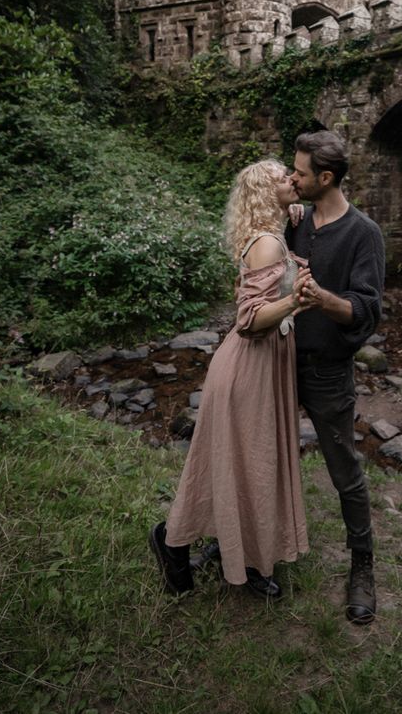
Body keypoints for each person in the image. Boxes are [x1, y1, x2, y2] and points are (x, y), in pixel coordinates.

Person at [149, 159, 311, 600]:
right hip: (249, 367)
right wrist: (297, 300)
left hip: (262, 366)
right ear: (264, 192)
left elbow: (290, 223)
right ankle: (173, 542)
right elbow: (249, 319)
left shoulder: (275, 232)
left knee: (246, 465)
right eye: (283, 177)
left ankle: (244, 553)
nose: (292, 180)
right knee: (249, 464)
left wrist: (294, 213)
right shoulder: (266, 245)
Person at [287, 129, 385, 625]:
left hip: (328, 373)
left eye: (300, 173)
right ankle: (251, 546)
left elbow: (367, 313)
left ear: (326, 178)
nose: (293, 178)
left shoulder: (364, 234)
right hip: (277, 366)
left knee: (345, 471)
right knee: (264, 457)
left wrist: (323, 298)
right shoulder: (296, 220)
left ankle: (362, 566)